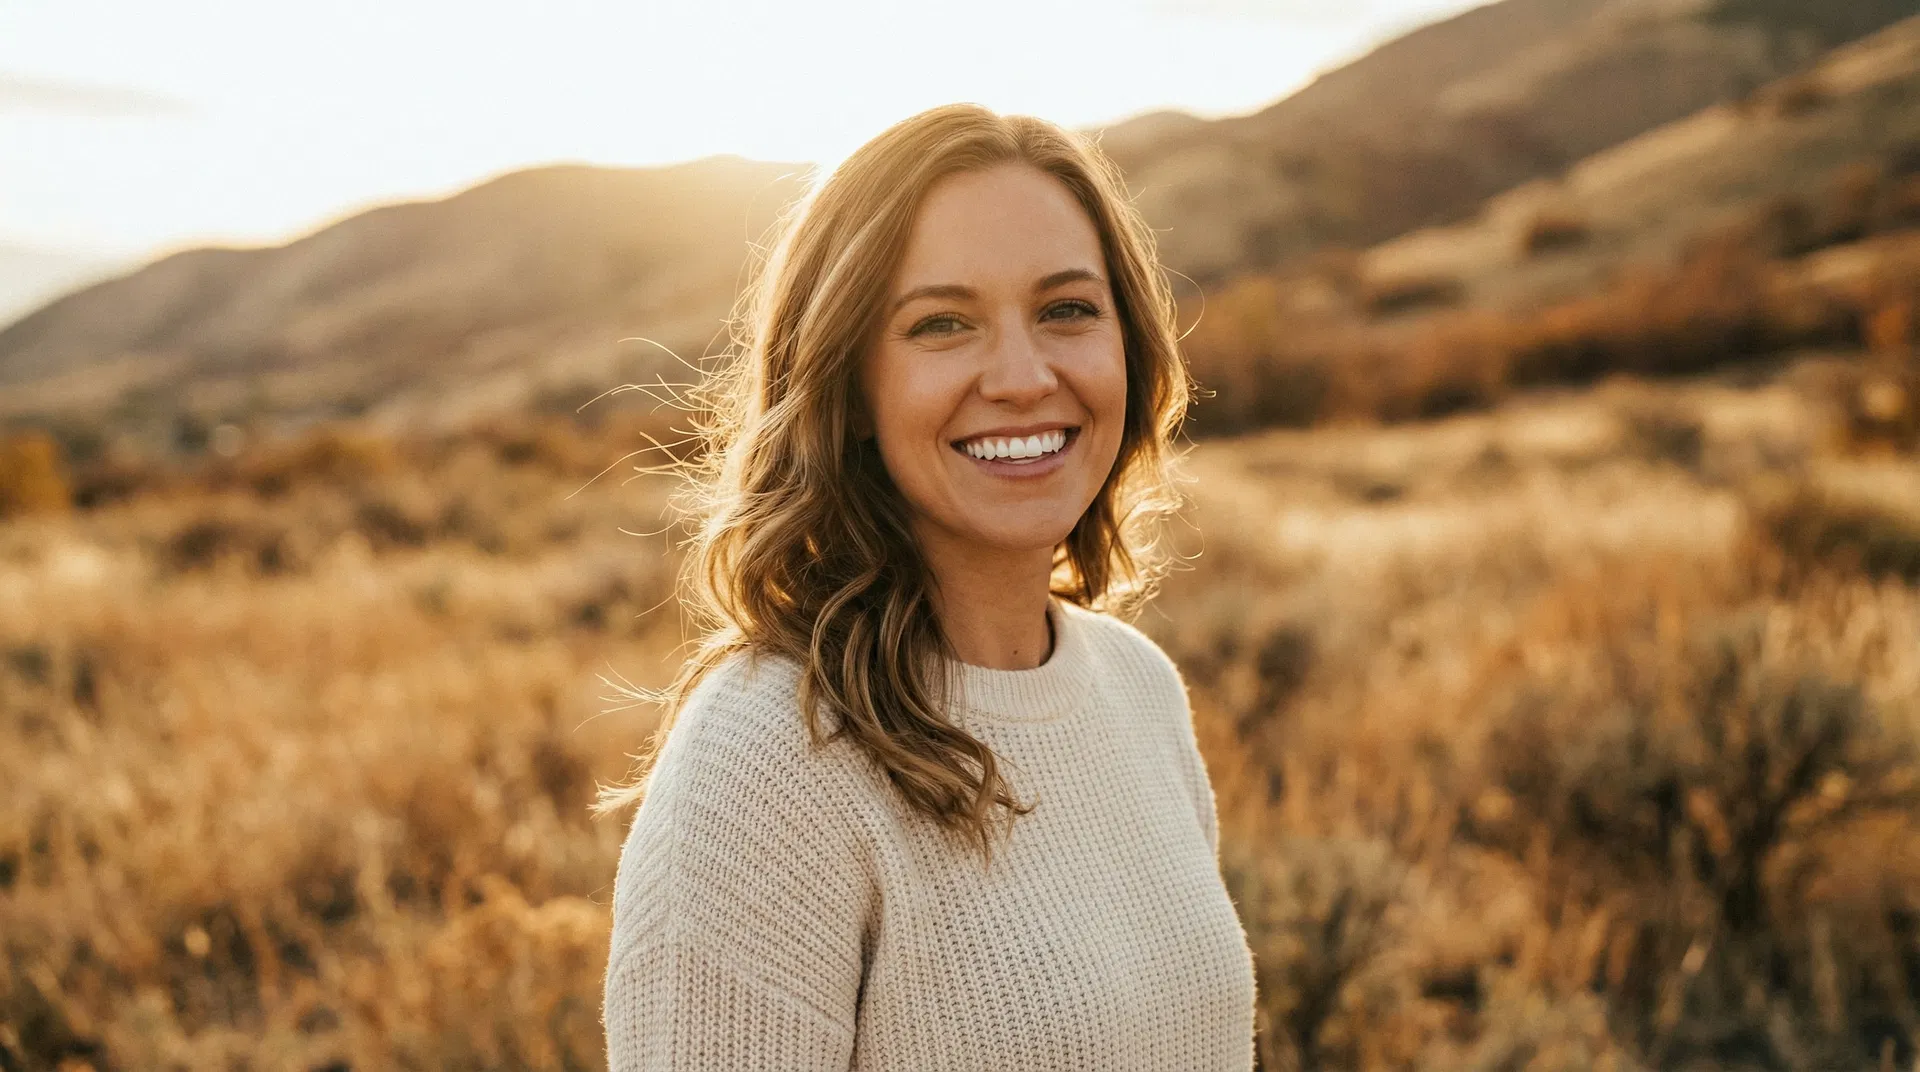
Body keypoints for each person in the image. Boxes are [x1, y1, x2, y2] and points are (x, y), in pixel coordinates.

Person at [595, 102, 1257, 1070]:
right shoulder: (766, 761)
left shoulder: (1137, 687)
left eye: (1067, 309)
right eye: (942, 324)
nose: (1025, 376)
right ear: (848, 385)